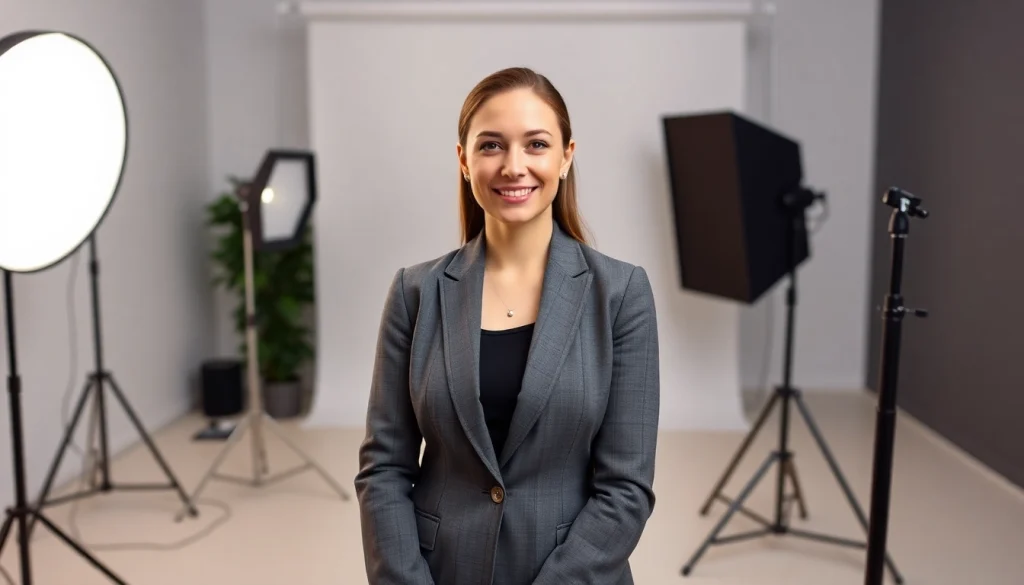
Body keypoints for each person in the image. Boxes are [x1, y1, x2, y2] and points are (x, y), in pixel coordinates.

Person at [355, 66, 660, 585]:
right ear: (463, 160)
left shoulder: (621, 293)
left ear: (566, 156)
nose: (514, 166)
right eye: (492, 145)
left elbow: (626, 489)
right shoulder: (415, 292)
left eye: (536, 144)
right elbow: (384, 470)